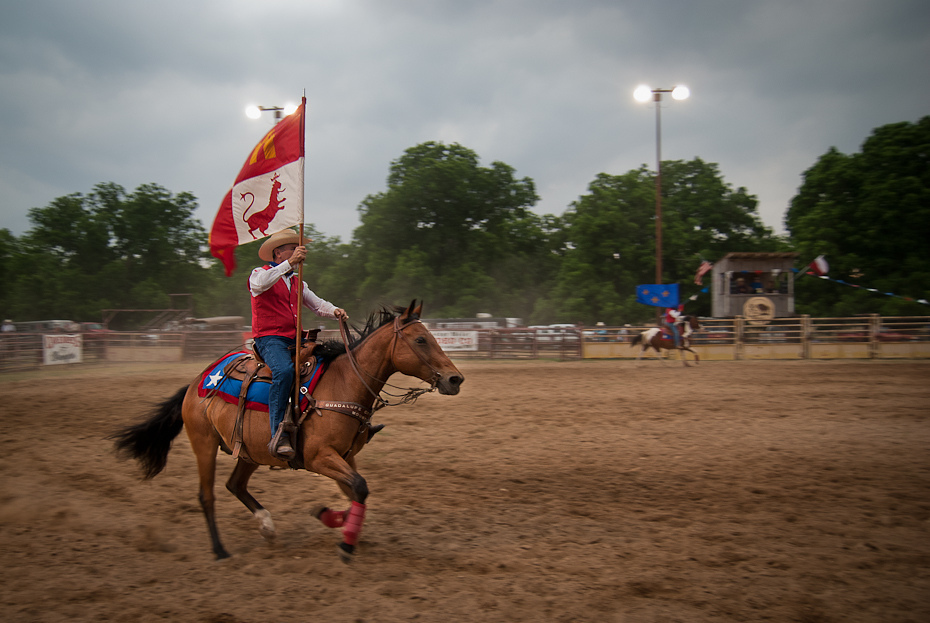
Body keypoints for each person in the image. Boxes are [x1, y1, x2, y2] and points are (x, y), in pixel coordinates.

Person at [249, 229, 348, 459]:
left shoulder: (298, 283)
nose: (298, 251)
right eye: (292, 248)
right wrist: (289, 264)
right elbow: (260, 285)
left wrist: (334, 311)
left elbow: (317, 304)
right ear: (278, 252)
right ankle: (278, 433)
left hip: (295, 339)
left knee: (331, 363)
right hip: (269, 338)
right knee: (284, 372)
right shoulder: (258, 274)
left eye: (298, 248)